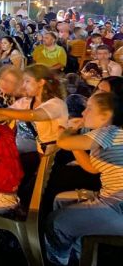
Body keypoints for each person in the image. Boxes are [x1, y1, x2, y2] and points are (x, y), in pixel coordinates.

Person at [46, 92, 123, 265]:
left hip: (118, 207)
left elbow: (63, 143)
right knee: (61, 201)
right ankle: (80, 255)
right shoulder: (109, 134)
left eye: (89, 108)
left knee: (54, 223)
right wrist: (72, 138)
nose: (83, 113)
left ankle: (59, 260)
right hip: (111, 200)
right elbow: (91, 167)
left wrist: (68, 131)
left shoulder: (109, 132)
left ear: (105, 116)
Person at [0, 64, 68, 155]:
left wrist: (0, 110)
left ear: (41, 82)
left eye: (27, 81)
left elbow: (34, 115)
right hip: (31, 151)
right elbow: (2, 116)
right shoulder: (26, 102)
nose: (24, 86)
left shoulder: (56, 104)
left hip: (50, 155)